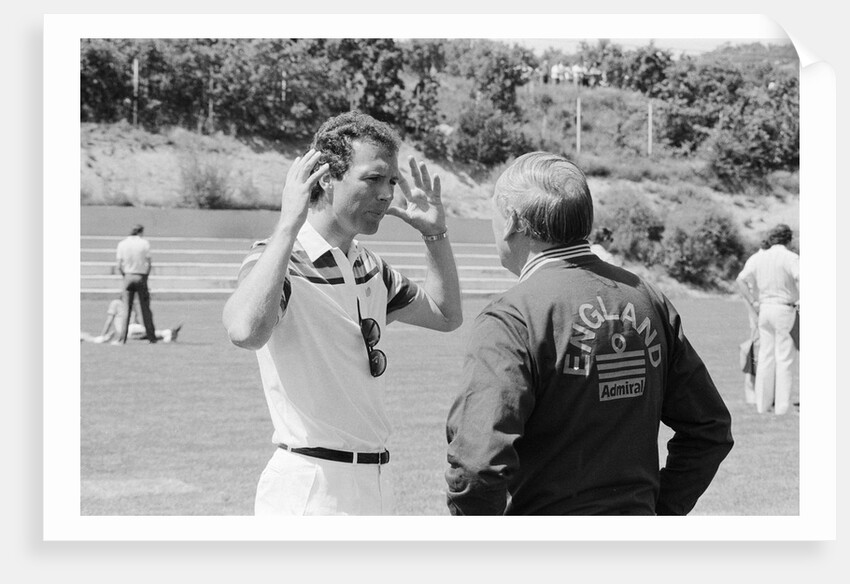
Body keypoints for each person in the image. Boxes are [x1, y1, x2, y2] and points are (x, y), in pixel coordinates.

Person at [445, 152, 733, 515]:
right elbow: (710, 428)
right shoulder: (647, 298)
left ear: (512, 221)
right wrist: (659, 512)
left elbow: (475, 466)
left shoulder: (511, 317)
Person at [222, 111, 463, 516]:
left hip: (376, 480)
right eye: (373, 178)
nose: (387, 194)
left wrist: (434, 235)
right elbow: (244, 330)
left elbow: (445, 314)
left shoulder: (368, 265)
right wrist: (287, 224)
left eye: (391, 181)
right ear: (325, 177)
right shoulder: (282, 258)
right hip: (312, 485)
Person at [735, 224, 800, 415]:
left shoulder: (758, 257)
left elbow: (741, 279)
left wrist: (753, 301)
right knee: (784, 358)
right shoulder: (791, 258)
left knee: (765, 356)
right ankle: (782, 407)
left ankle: (762, 404)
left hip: (764, 308)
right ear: (789, 239)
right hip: (784, 307)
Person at [738, 237, 770, 405]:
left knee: (762, 352)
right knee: (756, 353)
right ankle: (753, 393)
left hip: (764, 313)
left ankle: (761, 394)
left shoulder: (762, 259)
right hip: (758, 315)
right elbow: (740, 281)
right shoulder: (758, 259)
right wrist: (753, 303)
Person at [114, 224, 157, 344]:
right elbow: (149, 263)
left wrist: (125, 276)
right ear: (141, 232)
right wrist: (145, 276)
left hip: (128, 275)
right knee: (145, 309)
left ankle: (122, 338)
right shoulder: (144, 243)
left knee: (126, 309)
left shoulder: (122, 244)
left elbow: (119, 265)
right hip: (140, 275)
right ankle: (151, 337)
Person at [81, 296, 182, 343]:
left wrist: (102, 335)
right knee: (148, 334)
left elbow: (109, 321)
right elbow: (136, 320)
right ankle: (168, 333)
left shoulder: (116, 303)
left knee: (147, 336)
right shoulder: (129, 304)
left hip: (126, 331)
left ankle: (167, 335)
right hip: (131, 328)